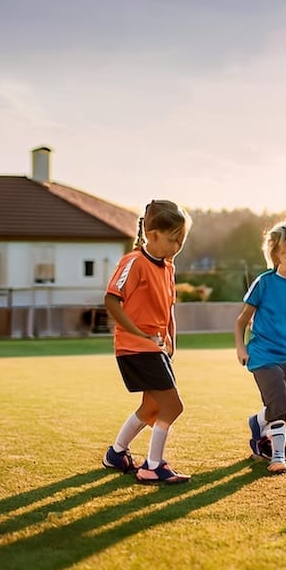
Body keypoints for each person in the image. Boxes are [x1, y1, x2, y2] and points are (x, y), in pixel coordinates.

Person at [101, 200, 192, 484]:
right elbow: (111, 300)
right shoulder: (133, 262)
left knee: (152, 408)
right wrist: (138, 334)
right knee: (173, 406)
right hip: (136, 348)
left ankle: (116, 454)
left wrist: (171, 341)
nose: (177, 246)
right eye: (172, 239)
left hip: (156, 348)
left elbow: (169, 308)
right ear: (152, 235)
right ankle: (153, 466)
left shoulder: (168, 268)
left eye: (181, 240)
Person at [235, 221, 286, 475]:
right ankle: (277, 456)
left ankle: (259, 421)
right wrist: (241, 347)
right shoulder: (264, 283)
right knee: (279, 403)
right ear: (275, 256)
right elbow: (241, 321)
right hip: (262, 355)